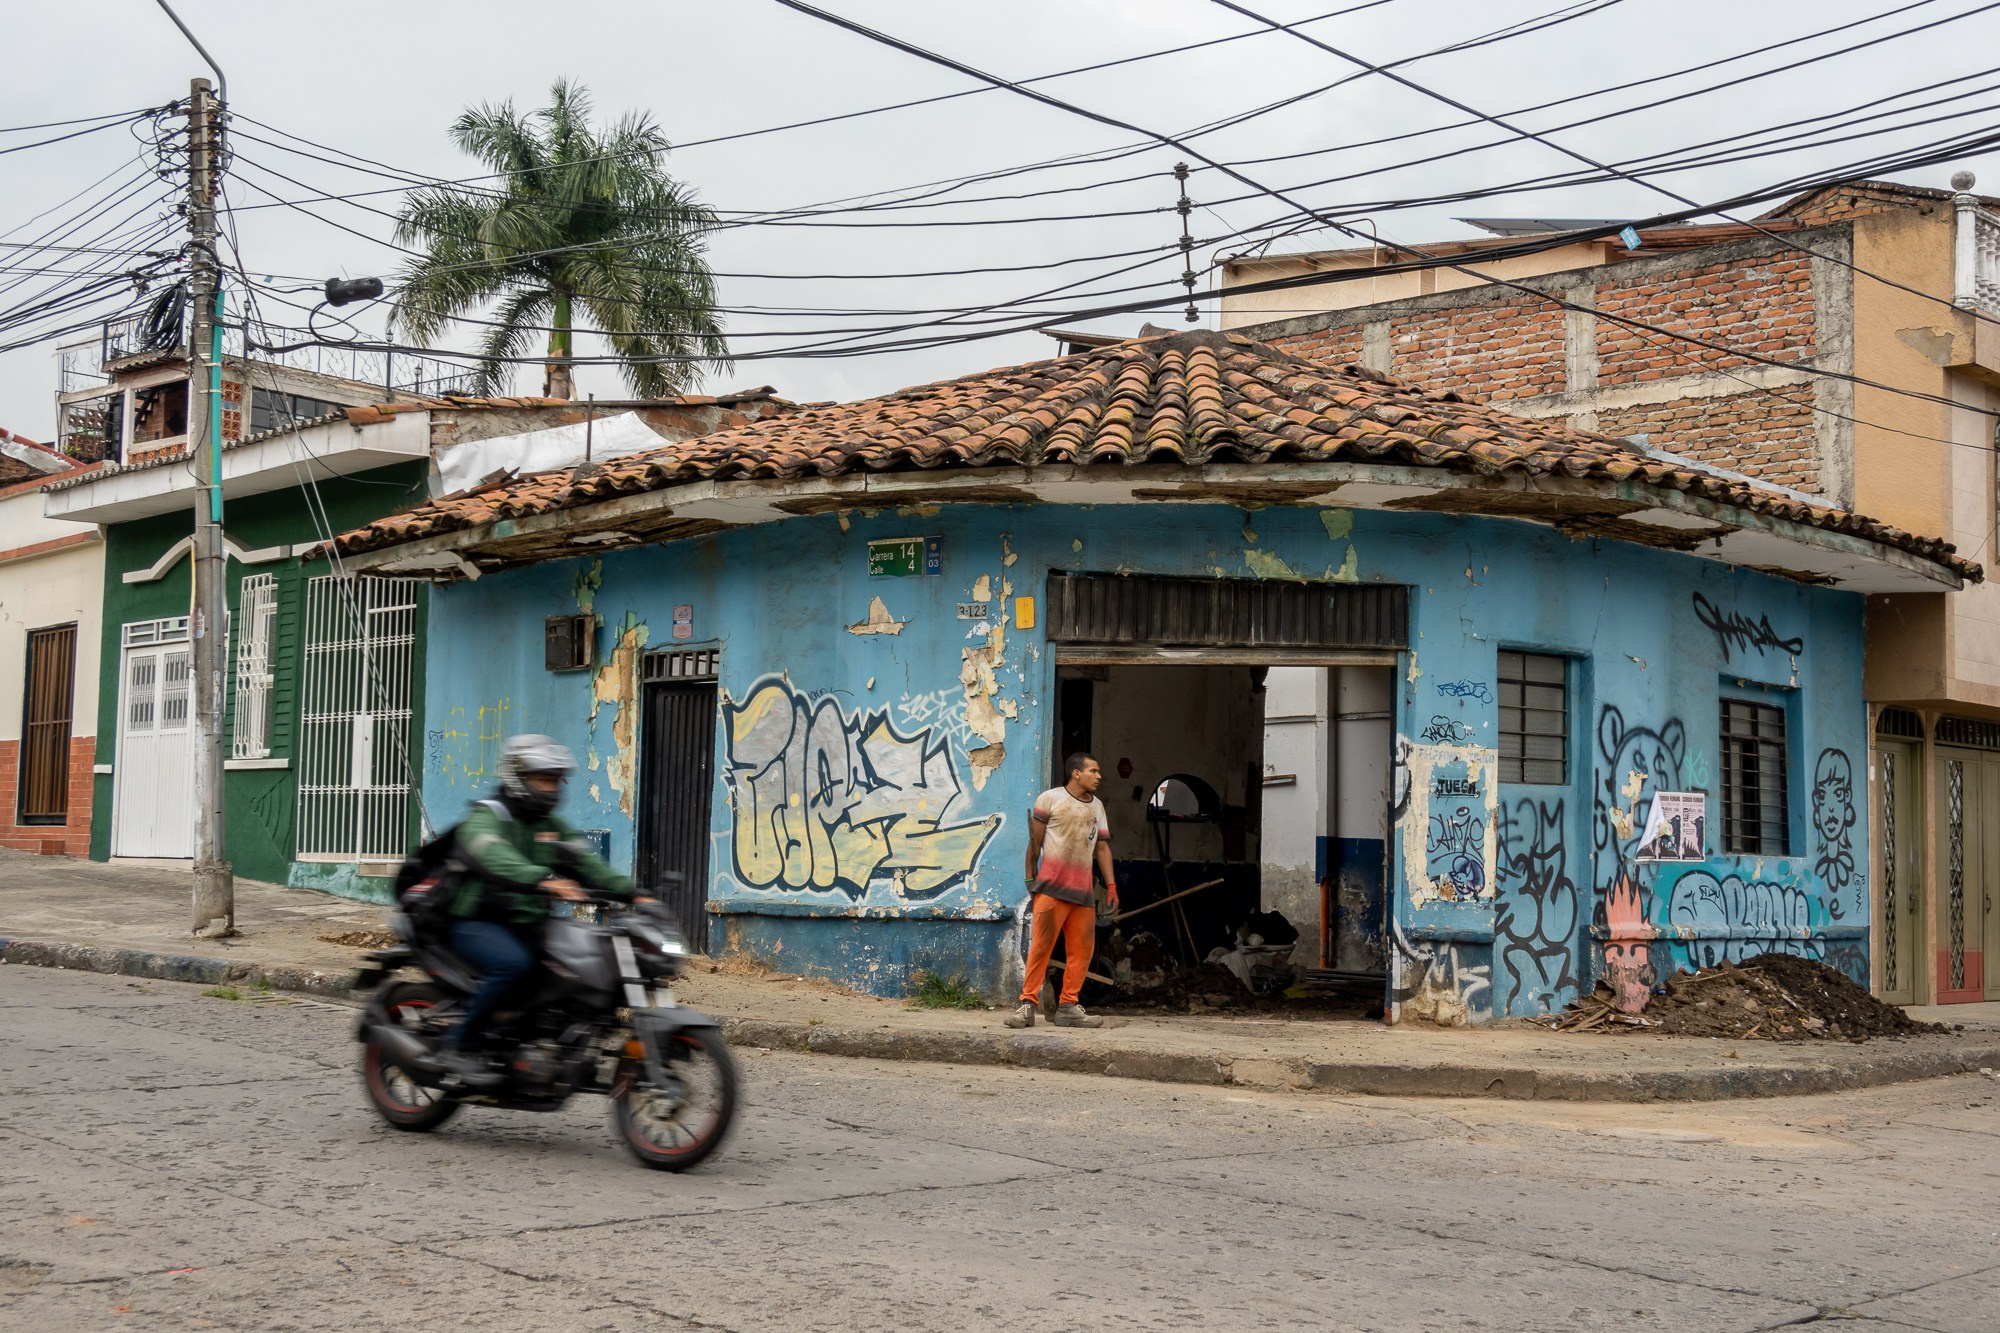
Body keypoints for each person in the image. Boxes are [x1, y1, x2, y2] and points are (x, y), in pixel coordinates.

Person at [441, 734, 652, 1088]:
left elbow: (586, 862)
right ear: (517, 778)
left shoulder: (549, 827)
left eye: (555, 780)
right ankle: (460, 1046)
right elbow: (492, 854)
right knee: (513, 964)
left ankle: (541, 1044)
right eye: (542, 779)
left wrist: (635, 894)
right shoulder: (488, 816)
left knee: (581, 970)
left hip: (528, 923)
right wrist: (543, 879)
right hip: (475, 921)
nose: (551, 788)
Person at [1008, 752, 1118, 1029]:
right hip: (1052, 889)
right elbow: (1034, 843)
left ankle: (1069, 1005)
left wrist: (1111, 885)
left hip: (1082, 894)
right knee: (1041, 949)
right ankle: (1027, 1006)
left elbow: (1102, 847)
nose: (1099, 776)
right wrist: (1029, 879)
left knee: (1082, 952)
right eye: (1093, 771)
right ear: (1076, 773)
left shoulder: (1098, 807)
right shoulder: (1050, 799)